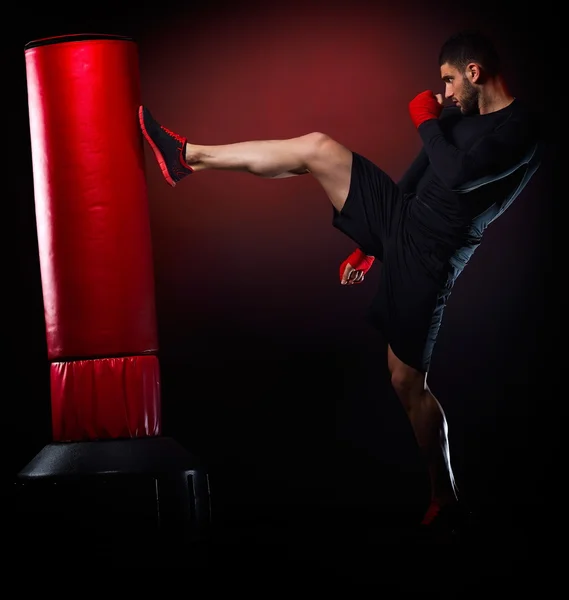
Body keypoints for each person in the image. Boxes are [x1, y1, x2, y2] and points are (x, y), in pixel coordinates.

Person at [138, 30, 542, 534]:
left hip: (433, 258)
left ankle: (446, 496)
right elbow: (420, 175)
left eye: (448, 80)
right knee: (317, 147)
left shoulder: (522, 129)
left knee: (405, 381)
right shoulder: (461, 116)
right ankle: (187, 157)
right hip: (401, 219)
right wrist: (372, 242)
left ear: (473, 73)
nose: (444, 92)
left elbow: (458, 174)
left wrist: (424, 120)